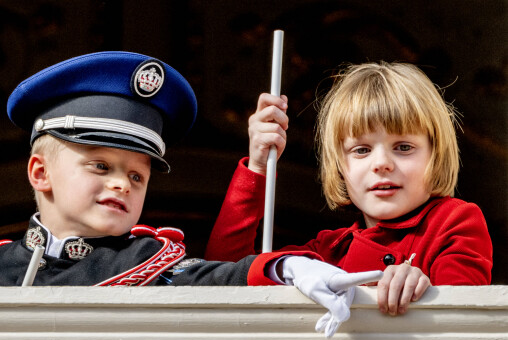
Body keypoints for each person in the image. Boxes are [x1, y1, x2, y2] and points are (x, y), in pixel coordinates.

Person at [0, 51, 382, 338]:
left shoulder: (151, 263)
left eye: (137, 177)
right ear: (40, 173)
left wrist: (290, 268)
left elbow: (221, 277)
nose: (122, 183)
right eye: (100, 166)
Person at [205, 61, 493, 317]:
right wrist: (257, 166)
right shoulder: (328, 249)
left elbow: (462, 322)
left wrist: (425, 288)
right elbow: (223, 273)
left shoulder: (454, 222)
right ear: (340, 166)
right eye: (361, 149)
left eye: (404, 147)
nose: (381, 163)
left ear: (435, 153)